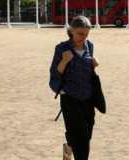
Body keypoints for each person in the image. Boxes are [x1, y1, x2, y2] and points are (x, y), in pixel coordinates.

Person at [49, 16, 99, 160]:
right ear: (71, 31)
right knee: (80, 136)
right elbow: (55, 73)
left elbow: (88, 72)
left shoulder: (90, 46)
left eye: (86, 34)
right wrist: (64, 61)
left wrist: (93, 65)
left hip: (88, 98)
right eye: (80, 34)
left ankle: (68, 147)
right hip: (69, 98)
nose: (83, 38)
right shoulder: (61, 48)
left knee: (86, 134)